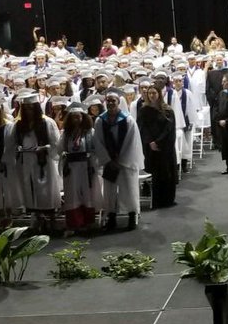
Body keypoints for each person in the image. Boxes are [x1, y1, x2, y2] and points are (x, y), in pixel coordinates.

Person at [10, 97, 61, 233]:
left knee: (45, 190)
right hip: (26, 161)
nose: (29, 111)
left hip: (43, 160)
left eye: (31, 108)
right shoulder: (19, 124)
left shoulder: (47, 122)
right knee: (31, 189)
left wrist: (44, 148)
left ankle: (51, 220)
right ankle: (37, 220)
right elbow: (13, 143)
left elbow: (56, 143)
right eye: (26, 108)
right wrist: (18, 148)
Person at [94, 90, 143, 231]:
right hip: (109, 162)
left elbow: (131, 142)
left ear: (118, 102)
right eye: (108, 100)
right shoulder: (100, 121)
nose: (110, 103)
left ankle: (132, 216)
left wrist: (120, 160)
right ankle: (111, 217)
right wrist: (108, 160)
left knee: (129, 189)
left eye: (113, 101)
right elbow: (98, 142)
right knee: (110, 190)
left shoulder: (128, 120)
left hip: (125, 162)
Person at [59, 103, 98, 234]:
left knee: (87, 194)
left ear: (84, 117)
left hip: (86, 166)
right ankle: (74, 223)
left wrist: (91, 158)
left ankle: (88, 222)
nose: (76, 119)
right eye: (73, 117)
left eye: (79, 116)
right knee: (72, 195)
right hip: (71, 166)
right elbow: (59, 149)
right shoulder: (66, 134)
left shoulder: (90, 132)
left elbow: (96, 148)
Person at [137, 85, 177, 209]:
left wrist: (158, 142)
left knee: (167, 173)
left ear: (159, 94)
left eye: (154, 93)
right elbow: (142, 128)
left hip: (165, 147)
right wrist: (150, 142)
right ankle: (156, 200)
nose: (152, 95)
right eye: (150, 93)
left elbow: (169, 129)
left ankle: (168, 200)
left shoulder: (167, 110)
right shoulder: (144, 110)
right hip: (150, 149)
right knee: (155, 174)